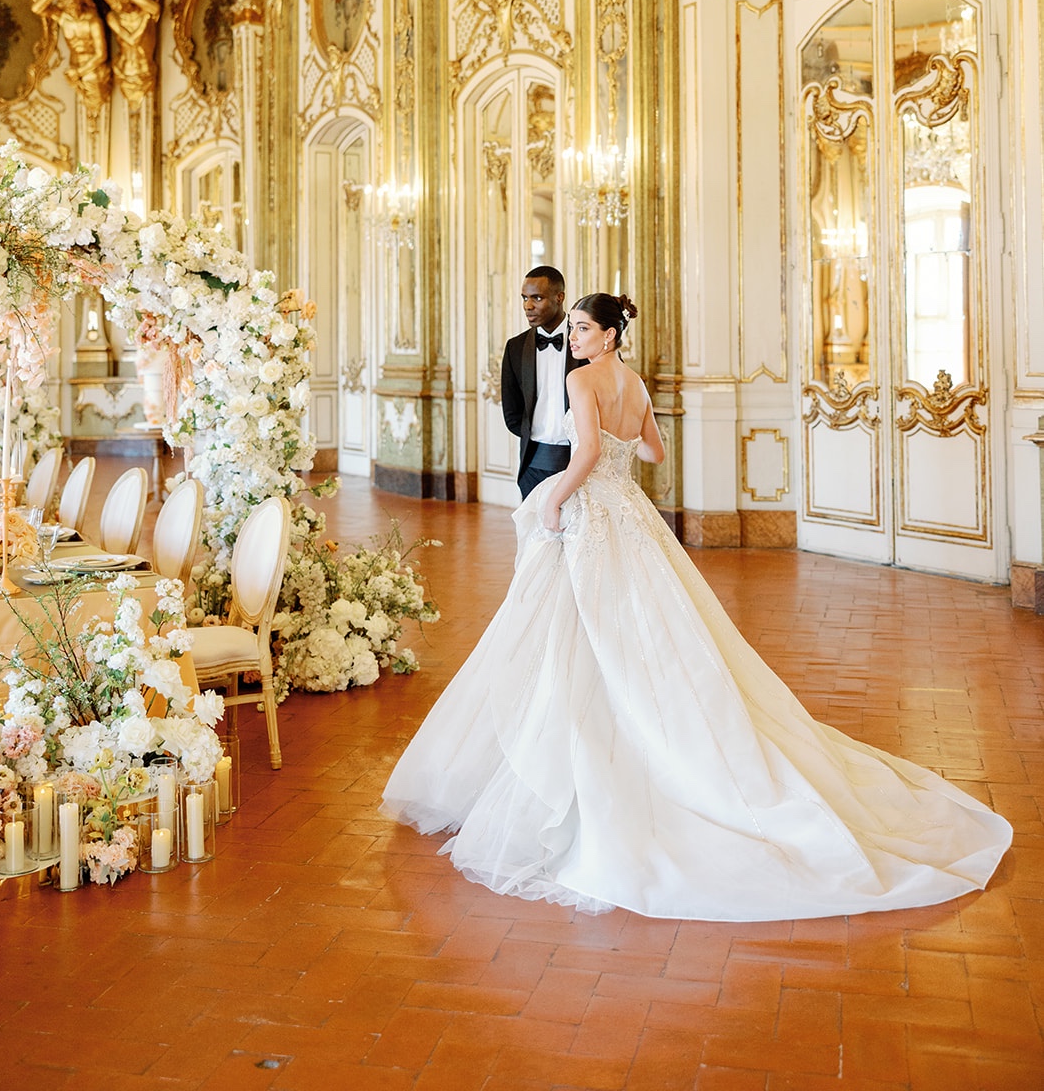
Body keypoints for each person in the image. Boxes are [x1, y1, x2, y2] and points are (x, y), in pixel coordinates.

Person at [383, 291, 1012, 921]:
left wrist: (554, 498)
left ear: (608, 334)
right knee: (632, 627)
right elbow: (652, 452)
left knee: (574, 627)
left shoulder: (583, 380)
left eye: (581, 327)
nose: (572, 336)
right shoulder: (634, 383)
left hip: (589, 509)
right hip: (628, 511)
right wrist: (616, 453)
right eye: (570, 327)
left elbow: (589, 455)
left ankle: (576, 753)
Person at [500, 265, 586, 498]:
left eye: (537, 298)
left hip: (579, 460)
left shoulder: (589, 343)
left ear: (560, 298)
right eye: (525, 298)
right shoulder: (515, 348)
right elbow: (512, 411)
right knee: (536, 533)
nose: (528, 306)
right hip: (532, 462)